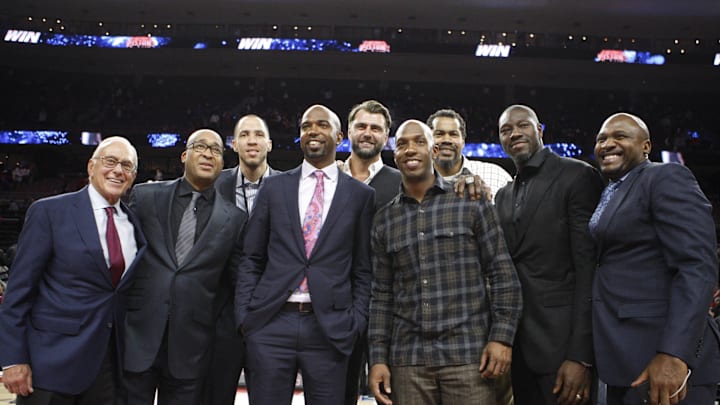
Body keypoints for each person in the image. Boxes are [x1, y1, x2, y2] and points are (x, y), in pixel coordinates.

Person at [368, 119, 523, 405]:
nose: (410, 149)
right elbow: (381, 296)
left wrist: (502, 338)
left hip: (468, 355)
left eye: (419, 142)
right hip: (408, 359)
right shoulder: (385, 220)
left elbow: (502, 274)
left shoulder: (470, 202)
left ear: (434, 149)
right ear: (394, 154)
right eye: (402, 144)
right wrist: (377, 358)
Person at [236, 104, 375, 405]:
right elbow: (252, 257)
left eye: (322, 124)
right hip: (271, 322)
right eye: (306, 125)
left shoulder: (361, 196)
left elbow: (363, 269)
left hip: (330, 328)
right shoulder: (274, 188)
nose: (312, 130)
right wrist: (246, 317)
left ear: (339, 137)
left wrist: (356, 323)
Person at [0, 137, 147, 404]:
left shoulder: (134, 224)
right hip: (50, 364)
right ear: (91, 166)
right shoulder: (50, 212)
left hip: (108, 369)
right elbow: (19, 291)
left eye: (126, 166)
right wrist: (13, 359)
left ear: (133, 177)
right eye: (110, 161)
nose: (118, 170)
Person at [591, 113, 720, 405]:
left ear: (646, 146)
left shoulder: (665, 176)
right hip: (626, 356)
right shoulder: (612, 189)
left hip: (664, 359)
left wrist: (674, 353)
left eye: (620, 136)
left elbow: (697, 266)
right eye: (601, 139)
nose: (608, 144)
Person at [121, 129, 246, 405]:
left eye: (215, 150)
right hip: (138, 335)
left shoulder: (235, 219)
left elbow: (234, 283)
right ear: (184, 155)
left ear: (222, 163)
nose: (207, 154)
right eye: (200, 146)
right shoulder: (144, 196)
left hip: (193, 345)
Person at [494, 105, 603, 405]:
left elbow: (588, 269)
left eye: (523, 125)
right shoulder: (503, 195)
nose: (515, 133)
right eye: (506, 130)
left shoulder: (576, 175)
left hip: (563, 349)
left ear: (540, 130)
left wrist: (581, 357)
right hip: (518, 351)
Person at [208, 114, 280, 405]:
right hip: (221, 314)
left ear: (270, 144)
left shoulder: (289, 187)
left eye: (259, 134)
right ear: (233, 144)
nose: (252, 140)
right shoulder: (213, 185)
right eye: (245, 135)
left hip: (271, 314)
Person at [341, 99, 401, 405]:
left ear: (386, 135)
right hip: (338, 305)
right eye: (361, 126)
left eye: (376, 128)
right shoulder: (329, 180)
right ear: (348, 131)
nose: (368, 133)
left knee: (391, 395)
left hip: (389, 307)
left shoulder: (402, 182)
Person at [427, 108, 512, 199]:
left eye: (453, 134)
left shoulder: (497, 175)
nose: (447, 140)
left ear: (463, 141)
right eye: (439, 134)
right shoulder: (413, 181)